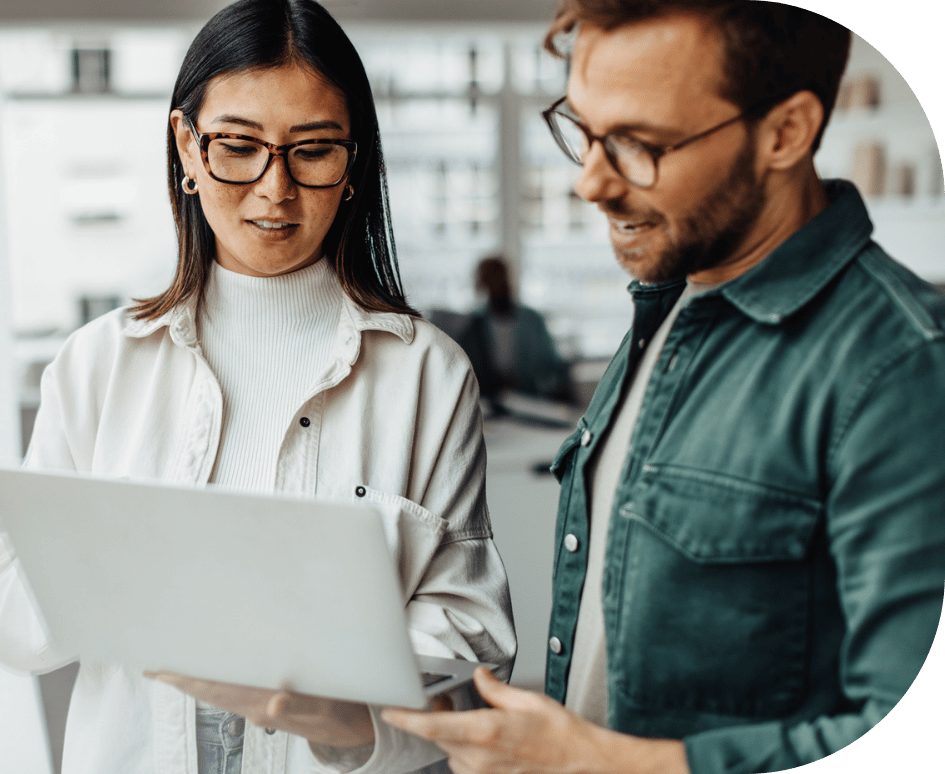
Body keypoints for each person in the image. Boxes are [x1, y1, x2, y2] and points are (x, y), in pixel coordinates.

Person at [382, 2, 945, 773]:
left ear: (785, 132)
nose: (589, 182)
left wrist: (606, 766)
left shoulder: (905, 366)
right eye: (582, 128)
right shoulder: (668, 305)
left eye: (639, 144)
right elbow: (607, 679)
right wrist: (381, 716)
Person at [0, 1, 515, 773]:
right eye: (238, 146)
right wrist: (115, 564)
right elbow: (3, 620)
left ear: (354, 161)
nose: (274, 189)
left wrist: (349, 716)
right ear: (187, 148)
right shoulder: (96, 365)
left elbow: (476, 643)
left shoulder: (428, 374)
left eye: (314, 151)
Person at [457, 255, 576, 409]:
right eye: (490, 282)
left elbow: (552, 365)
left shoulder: (533, 321)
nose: (496, 287)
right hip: (489, 406)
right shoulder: (474, 324)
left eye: (499, 279)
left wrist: (547, 387)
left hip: (530, 403)